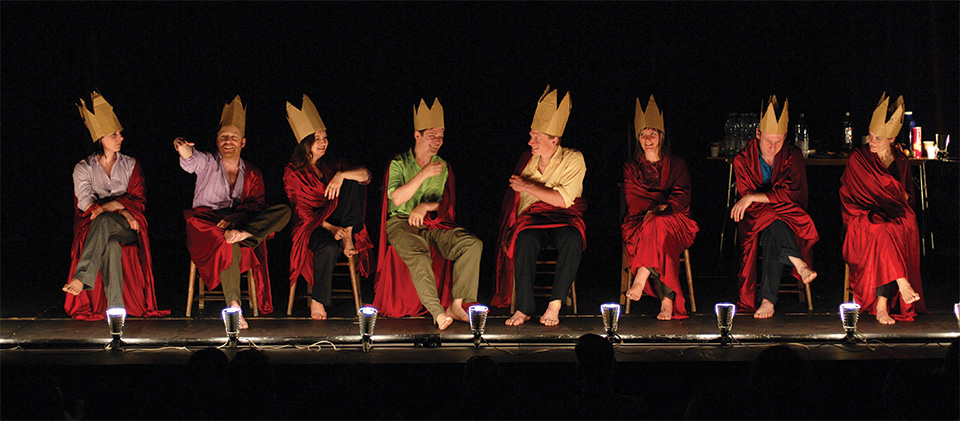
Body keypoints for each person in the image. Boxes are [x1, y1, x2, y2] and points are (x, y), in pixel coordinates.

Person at [175, 95, 290, 328]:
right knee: (228, 240)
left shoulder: (253, 172)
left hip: (239, 223)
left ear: (243, 142)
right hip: (206, 224)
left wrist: (237, 219)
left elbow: (258, 205)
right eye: (223, 136)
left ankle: (245, 232)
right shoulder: (207, 162)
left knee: (284, 211)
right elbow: (190, 158)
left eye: (234, 137)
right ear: (217, 141)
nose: (228, 140)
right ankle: (234, 307)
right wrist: (181, 146)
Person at [372, 98, 482, 330]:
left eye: (441, 136)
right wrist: (423, 174)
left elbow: (442, 203)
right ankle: (437, 312)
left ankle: (457, 304)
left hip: (432, 223)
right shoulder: (399, 163)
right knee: (421, 256)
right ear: (417, 135)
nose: (438, 141)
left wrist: (424, 207)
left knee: (471, 244)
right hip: (400, 223)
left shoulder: (441, 165)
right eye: (432, 135)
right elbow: (397, 198)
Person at [63, 91, 169, 320]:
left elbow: (139, 201)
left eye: (120, 133)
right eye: (114, 134)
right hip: (98, 225)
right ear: (101, 138)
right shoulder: (83, 168)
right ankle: (116, 310)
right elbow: (85, 206)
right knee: (110, 242)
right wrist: (119, 208)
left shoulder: (131, 164)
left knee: (104, 220)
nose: (120, 138)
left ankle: (82, 277)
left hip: (127, 227)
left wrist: (108, 207)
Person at [493, 86, 586, 327]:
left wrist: (528, 186)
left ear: (554, 140)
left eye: (536, 137)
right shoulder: (527, 160)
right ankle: (524, 307)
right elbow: (517, 200)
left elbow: (564, 200)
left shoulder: (573, 158)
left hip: (565, 218)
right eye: (531, 135)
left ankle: (555, 304)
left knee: (573, 240)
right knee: (524, 239)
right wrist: (537, 190)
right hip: (533, 220)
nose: (530, 141)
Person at [283, 94, 373, 320]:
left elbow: (366, 176)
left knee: (354, 180)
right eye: (317, 139)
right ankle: (317, 300)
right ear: (305, 143)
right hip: (312, 226)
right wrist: (331, 229)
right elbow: (301, 212)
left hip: (341, 219)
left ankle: (349, 236)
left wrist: (341, 175)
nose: (324, 142)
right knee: (327, 248)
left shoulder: (332, 164)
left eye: (325, 137)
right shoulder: (292, 171)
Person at [840, 94, 925, 324]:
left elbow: (907, 200)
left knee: (892, 228)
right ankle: (899, 284)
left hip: (890, 220)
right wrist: (896, 194)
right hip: (862, 219)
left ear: (892, 139)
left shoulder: (901, 161)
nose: (872, 140)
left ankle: (882, 304)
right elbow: (854, 197)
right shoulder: (858, 158)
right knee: (882, 230)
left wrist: (898, 196)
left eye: (879, 138)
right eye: (871, 135)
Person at [730, 96, 818, 318]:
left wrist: (753, 196)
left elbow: (791, 194)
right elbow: (749, 199)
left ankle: (768, 300)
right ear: (758, 133)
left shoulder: (792, 155)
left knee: (774, 228)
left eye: (778, 141)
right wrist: (752, 199)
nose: (773, 146)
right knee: (772, 217)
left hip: (789, 214)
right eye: (768, 140)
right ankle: (798, 262)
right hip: (754, 217)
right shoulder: (742, 159)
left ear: (785, 138)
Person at [622, 96, 699, 320]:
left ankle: (641, 275)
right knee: (658, 229)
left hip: (677, 220)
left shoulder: (677, 163)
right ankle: (667, 302)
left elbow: (683, 195)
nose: (648, 139)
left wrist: (662, 207)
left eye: (652, 134)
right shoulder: (631, 167)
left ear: (661, 136)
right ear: (638, 138)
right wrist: (656, 209)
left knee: (660, 225)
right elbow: (634, 200)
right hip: (640, 221)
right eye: (643, 135)